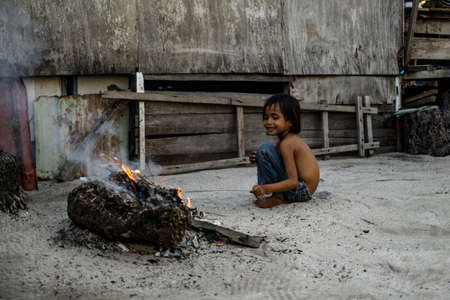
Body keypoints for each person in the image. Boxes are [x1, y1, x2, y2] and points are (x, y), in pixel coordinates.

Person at [250, 94, 320, 208]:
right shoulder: (285, 141)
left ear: (290, 121)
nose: (268, 122)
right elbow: (278, 164)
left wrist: (265, 188)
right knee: (264, 151)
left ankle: (278, 197)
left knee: (264, 148)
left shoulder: (287, 144)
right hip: (303, 190)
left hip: (301, 191)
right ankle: (273, 194)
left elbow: (293, 182)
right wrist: (258, 158)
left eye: (275, 117)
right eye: (266, 117)